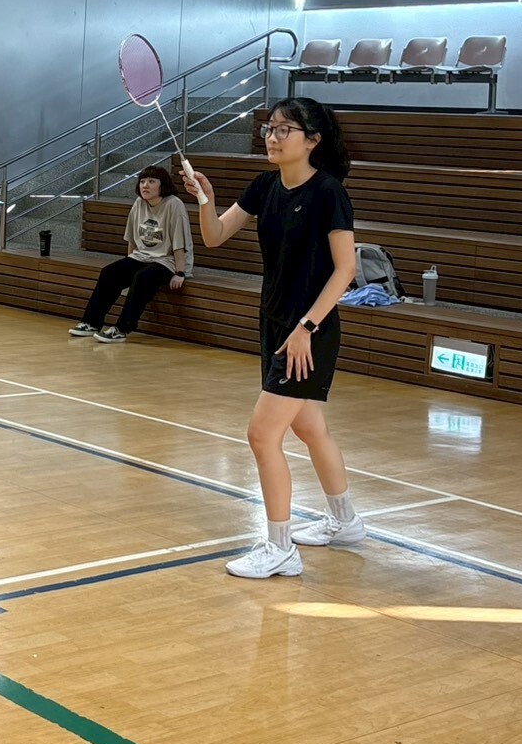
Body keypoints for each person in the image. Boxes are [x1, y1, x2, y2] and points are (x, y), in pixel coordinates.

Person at [183, 97, 365, 579]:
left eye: (285, 129)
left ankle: (280, 547)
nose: (272, 136)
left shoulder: (328, 193)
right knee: (310, 428)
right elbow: (215, 236)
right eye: (269, 128)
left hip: (309, 331)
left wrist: (307, 327)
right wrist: (205, 200)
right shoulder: (264, 186)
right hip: (274, 322)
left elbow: (345, 269)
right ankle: (345, 521)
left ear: (313, 140)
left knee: (262, 434)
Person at [68, 165, 193, 344]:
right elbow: (132, 239)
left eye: (151, 181)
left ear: (162, 185)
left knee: (142, 278)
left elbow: (180, 242)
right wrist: (127, 267)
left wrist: (180, 273)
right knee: (109, 272)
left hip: (168, 261)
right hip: (141, 256)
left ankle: (121, 329)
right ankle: (91, 323)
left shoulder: (174, 204)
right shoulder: (139, 203)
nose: (145, 185)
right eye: (142, 181)